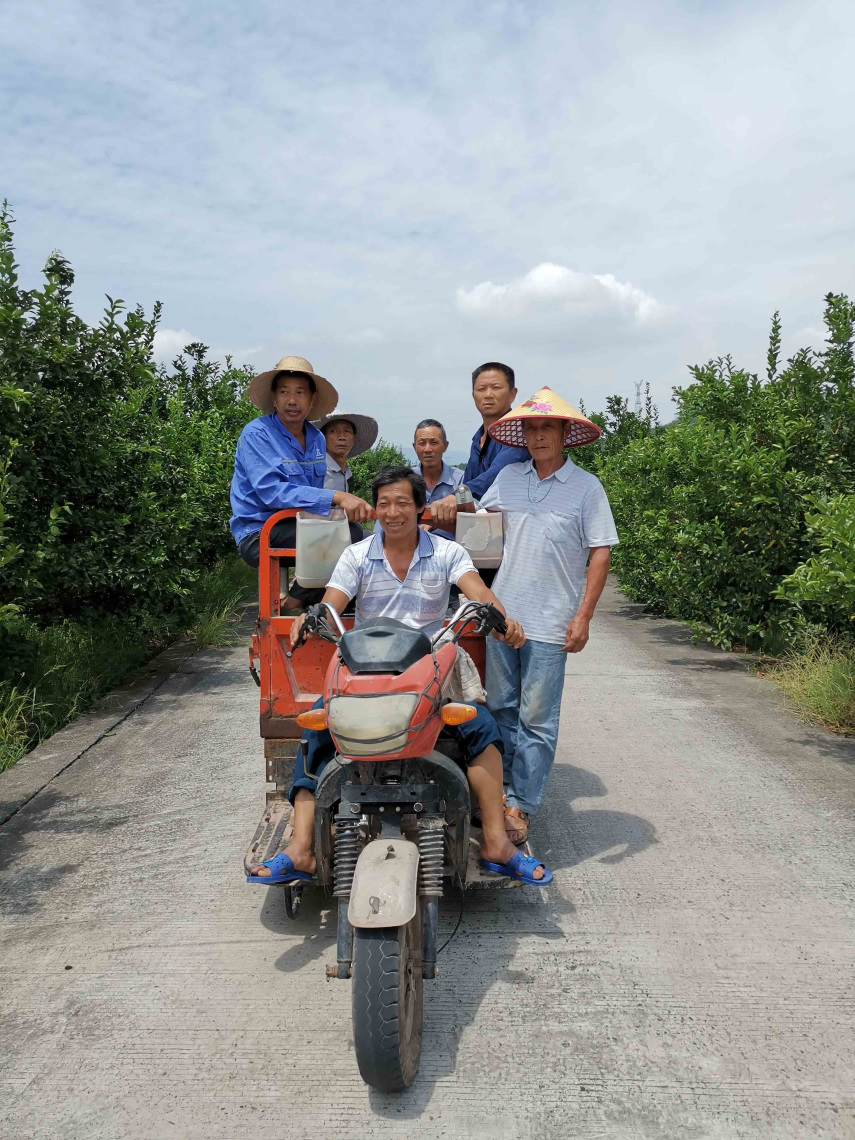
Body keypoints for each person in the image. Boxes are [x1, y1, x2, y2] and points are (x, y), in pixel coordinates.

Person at [247, 465, 554, 887]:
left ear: (420, 508)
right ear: (375, 511)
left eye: (403, 503)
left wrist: (501, 617)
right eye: (385, 504)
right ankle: (301, 849)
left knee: (482, 727)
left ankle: (497, 842)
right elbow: (333, 603)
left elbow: (476, 591)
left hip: (430, 672)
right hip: (366, 673)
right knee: (318, 727)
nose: (393, 512)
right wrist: (312, 615)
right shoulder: (356, 556)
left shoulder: (447, 553)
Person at [479, 387, 619, 845]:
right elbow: (478, 523)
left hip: (551, 623)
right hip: (502, 618)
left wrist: (584, 617)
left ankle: (523, 804)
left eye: (547, 428)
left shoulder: (586, 487)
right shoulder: (510, 479)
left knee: (537, 718)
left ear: (564, 434)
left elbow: (600, 554)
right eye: (532, 428)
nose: (538, 436)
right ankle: (499, 794)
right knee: (500, 709)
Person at [229, 356, 373, 611]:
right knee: (347, 536)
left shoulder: (316, 438)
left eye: (300, 392)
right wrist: (337, 498)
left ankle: (333, 609)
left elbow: (310, 500)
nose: (292, 400)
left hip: (298, 526)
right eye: (284, 392)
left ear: (312, 399)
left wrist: (339, 512)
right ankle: (294, 603)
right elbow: (271, 492)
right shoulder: (257, 434)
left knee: (359, 538)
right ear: (274, 398)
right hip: (260, 531)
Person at [428, 362, 528, 581]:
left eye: (496, 388)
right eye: (481, 389)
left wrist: (453, 499)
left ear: (513, 394)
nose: (488, 395)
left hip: (511, 535)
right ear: (473, 395)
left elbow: (494, 478)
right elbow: (468, 489)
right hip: (483, 532)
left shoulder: (519, 434)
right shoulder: (478, 438)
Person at [411, 418, 463, 541]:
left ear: (445, 446)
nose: (427, 449)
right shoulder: (405, 480)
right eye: (422, 443)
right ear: (414, 447)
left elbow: (471, 519)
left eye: (434, 442)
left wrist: (433, 522)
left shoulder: (461, 480)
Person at [313, 411, 379, 493]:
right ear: (323, 437)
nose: (341, 437)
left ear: (354, 438)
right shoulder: (318, 471)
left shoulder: (345, 472)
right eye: (333, 431)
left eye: (347, 431)